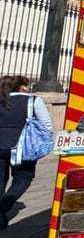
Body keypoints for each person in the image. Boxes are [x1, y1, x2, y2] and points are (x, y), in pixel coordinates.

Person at [0, 75, 54, 229]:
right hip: (23, 148)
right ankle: (4, 205)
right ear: (22, 87)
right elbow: (46, 125)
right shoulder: (32, 101)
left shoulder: (2, 99)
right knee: (23, 178)